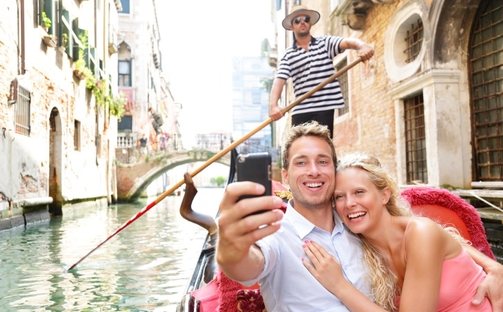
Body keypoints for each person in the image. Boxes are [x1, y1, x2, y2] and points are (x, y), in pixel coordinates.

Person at [215, 120, 503, 311]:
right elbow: (246, 265)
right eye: (302, 162)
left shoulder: (355, 225)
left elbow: (432, 237)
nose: (314, 170)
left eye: (323, 161)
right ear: (286, 176)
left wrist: (494, 267)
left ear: (332, 172)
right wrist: (230, 248)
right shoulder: (275, 234)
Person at [303, 153, 493, 311]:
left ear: (385, 195)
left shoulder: (421, 232)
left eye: (359, 192)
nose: (350, 203)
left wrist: (339, 286)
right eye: (340, 196)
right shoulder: (360, 250)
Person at [268, 5, 374, 138]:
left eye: (306, 19)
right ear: (291, 26)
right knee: (298, 150)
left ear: (310, 23)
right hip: (300, 109)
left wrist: (362, 46)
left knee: (323, 149)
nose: (302, 22)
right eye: (297, 20)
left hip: (324, 108)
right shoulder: (288, 54)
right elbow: (279, 80)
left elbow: (347, 42)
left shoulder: (325, 43)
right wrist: (273, 105)